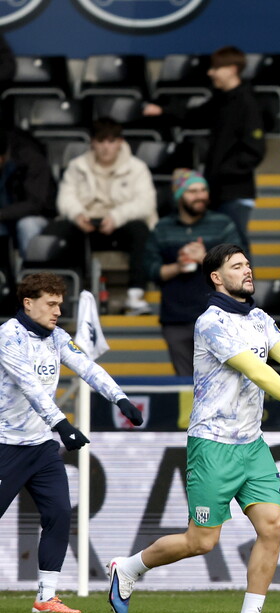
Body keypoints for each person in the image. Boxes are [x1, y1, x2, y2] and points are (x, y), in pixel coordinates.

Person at [107, 244, 280, 613]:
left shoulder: (259, 317)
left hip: (251, 443)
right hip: (213, 444)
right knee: (201, 541)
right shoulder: (211, 323)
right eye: (236, 266)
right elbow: (260, 373)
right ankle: (128, 568)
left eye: (247, 264)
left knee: (273, 526)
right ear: (217, 277)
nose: (247, 270)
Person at [0, 273, 143, 613]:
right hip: (5, 444)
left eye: (60, 305)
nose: (57, 311)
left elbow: (88, 368)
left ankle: (46, 596)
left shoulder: (56, 337)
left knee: (59, 514)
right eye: (51, 304)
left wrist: (120, 399)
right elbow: (30, 386)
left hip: (40, 446)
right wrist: (62, 425)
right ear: (28, 303)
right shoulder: (8, 336)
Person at [144, 46, 265, 247]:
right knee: (219, 247)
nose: (210, 73)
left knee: (235, 246)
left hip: (236, 192)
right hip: (217, 190)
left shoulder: (247, 103)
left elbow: (255, 150)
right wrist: (163, 111)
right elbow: (194, 116)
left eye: (216, 68)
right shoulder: (221, 100)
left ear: (232, 69)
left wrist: (224, 171)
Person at [46, 118, 157, 314]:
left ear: (120, 142)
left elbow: (146, 203)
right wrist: (78, 215)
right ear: (92, 142)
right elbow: (65, 199)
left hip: (120, 224)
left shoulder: (137, 167)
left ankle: (135, 295)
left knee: (140, 229)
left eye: (111, 141)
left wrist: (116, 217)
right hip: (86, 223)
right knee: (60, 230)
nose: (106, 147)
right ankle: (69, 296)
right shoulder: (77, 166)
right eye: (101, 141)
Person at [144, 169, 246, 376]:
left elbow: (239, 267)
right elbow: (150, 270)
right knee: (186, 382)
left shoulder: (222, 224)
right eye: (192, 191)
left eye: (203, 190)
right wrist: (178, 265)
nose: (200, 196)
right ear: (179, 196)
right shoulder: (163, 228)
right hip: (176, 319)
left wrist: (205, 258)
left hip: (219, 317)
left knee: (222, 378)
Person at [0, 129, 55, 256]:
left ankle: (31, 267)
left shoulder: (32, 161)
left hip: (38, 217)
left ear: (2, 157)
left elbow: (34, 205)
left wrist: (2, 213)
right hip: (5, 219)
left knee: (27, 225)